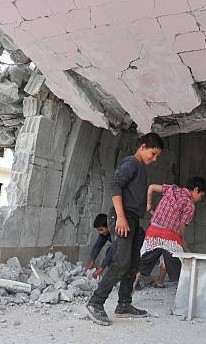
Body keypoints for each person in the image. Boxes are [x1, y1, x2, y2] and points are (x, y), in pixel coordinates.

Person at [85, 133, 164, 326]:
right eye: (152, 154)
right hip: (123, 217)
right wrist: (120, 217)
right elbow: (115, 186)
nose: (153, 159)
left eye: (156, 157)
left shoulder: (141, 169)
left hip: (134, 220)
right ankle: (95, 303)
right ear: (143, 146)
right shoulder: (131, 163)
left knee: (133, 263)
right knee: (120, 263)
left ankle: (124, 304)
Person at [134, 177, 206, 288]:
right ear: (196, 190)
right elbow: (181, 226)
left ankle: (133, 286)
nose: (200, 199)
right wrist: (182, 240)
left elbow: (151, 187)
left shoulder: (172, 189)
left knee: (142, 261)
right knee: (180, 262)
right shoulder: (190, 205)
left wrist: (149, 204)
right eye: (201, 196)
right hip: (171, 236)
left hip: (153, 232)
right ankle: (191, 290)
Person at [86, 213, 113, 278]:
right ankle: (113, 276)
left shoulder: (116, 230)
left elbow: (113, 250)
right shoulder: (105, 233)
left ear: (108, 225)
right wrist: (92, 260)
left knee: (110, 252)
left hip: (132, 248)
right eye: (99, 230)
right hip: (119, 249)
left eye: (101, 229)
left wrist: (101, 268)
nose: (100, 232)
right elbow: (97, 246)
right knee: (109, 251)